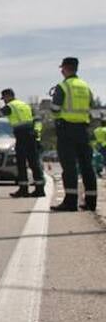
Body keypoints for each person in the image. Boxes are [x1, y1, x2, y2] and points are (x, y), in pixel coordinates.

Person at [0, 88, 44, 198]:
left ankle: (23, 189)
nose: (4, 101)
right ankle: (40, 189)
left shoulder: (11, 106)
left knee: (21, 162)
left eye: (4, 98)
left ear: (8, 96)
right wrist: (38, 134)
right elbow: (37, 120)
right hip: (31, 134)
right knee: (34, 162)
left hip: (21, 135)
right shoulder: (26, 105)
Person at [50, 57, 96, 212]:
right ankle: (91, 202)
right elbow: (92, 106)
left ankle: (70, 202)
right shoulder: (85, 86)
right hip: (83, 130)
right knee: (87, 167)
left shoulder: (63, 86)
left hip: (67, 130)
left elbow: (55, 109)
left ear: (65, 69)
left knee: (69, 167)